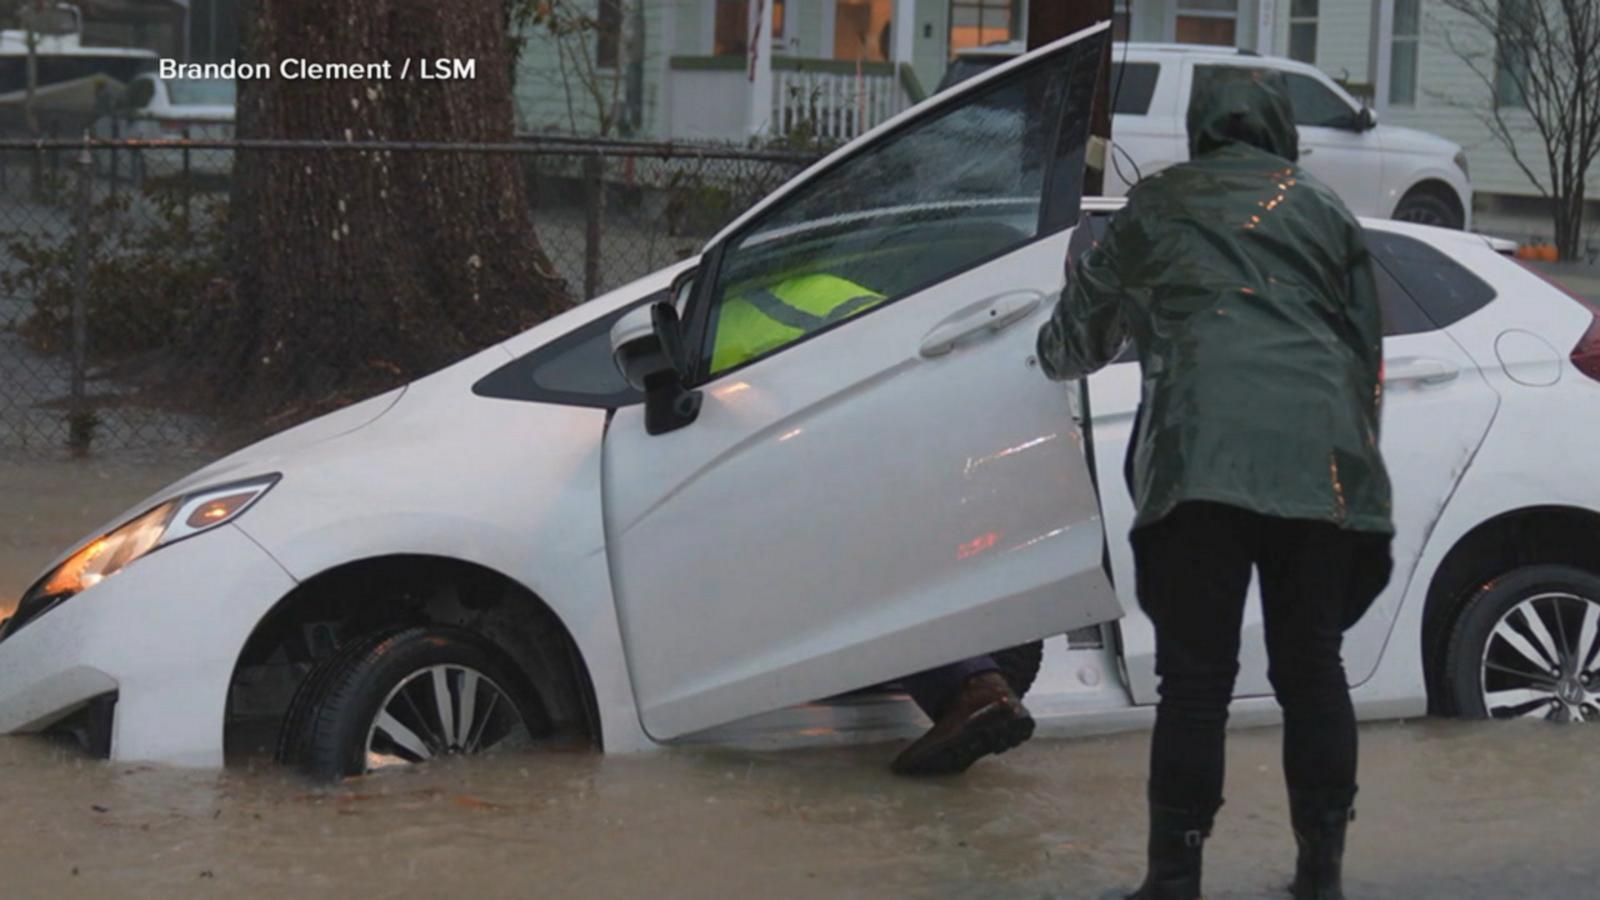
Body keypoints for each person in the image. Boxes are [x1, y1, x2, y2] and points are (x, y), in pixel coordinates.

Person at [1035, 69, 1394, 900]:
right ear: (1282, 132)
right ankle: (1321, 876)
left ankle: (1173, 880)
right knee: (1313, 667)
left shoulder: (1156, 208)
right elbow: (1364, 356)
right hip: (1320, 465)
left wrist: (1046, 349)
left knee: (1195, 682)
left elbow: (1075, 340)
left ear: (1200, 130)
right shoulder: (1324, 210)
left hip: (1199, 466)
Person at [713, 271, 1036, 778]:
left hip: (866, 456)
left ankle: (975, 685)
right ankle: (973, 673)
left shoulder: (734, 318)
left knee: (856, 555)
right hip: (932, 442)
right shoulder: (830, 288)